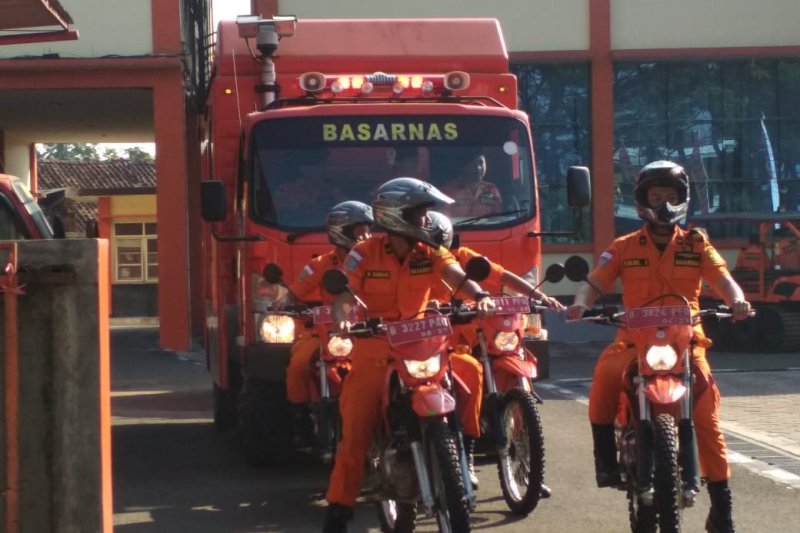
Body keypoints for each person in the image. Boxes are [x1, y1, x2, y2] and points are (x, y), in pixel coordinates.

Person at [566, 161, 750, 533]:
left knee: (706, 418)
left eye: (670, 196)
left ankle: (722, 509)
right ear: (641, 201)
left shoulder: (697, 244)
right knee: (603, 376)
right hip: (633, 341)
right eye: (656, 196)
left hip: (687, 344)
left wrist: (738, 301)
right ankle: (605, 459)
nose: (664, 203)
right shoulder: (622, 247)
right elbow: (595, 281)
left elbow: (722, 278)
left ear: (682, 200)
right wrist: (579, 303)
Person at [322, 177, 496, 533]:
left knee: (467, 377)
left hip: (421, 349)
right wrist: (342, 322)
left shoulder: (429, 250)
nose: (426, 221)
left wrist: (480, 298)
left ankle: (462, 451)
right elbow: (343, 296)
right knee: (354, 433)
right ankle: (338, 510)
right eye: (419, 214)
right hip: (374, 355)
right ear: (395, 215)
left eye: (426, 214)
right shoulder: (363, 252)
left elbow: (455, 275)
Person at [427, 211, 562, 495]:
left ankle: (529, 473)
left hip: (477, 337)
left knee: (514, 375)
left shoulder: (465, 258)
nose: (435, 248)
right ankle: (466, 458)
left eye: (440, 242)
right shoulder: (414, 263)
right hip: (441, 343)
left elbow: (504, 276)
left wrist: (538, 297)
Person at [271, 201, 374, 448]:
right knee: (297, 365)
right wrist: (284, 299)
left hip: (370, 333)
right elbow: (296, 290)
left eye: (368, 229)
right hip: (326, 334)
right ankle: (301, 423)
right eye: (358, 231)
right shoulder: (321, 263)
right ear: (340, 232)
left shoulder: (377, 260)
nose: (365, 236)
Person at [439, 148, 503, 218]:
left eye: (481, 163)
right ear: (463, 167)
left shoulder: (491, 189)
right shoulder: (447, 191)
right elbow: (443, 221)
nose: (478, 168)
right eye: (473, 164)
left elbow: (498, 217)